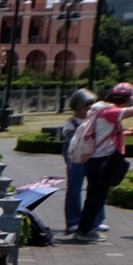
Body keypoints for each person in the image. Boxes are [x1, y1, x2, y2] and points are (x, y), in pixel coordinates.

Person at [73, 83, 133, 241]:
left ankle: (85, 229)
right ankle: (84, 231)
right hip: (101, 160)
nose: (131, 104)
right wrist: (132, 107)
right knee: (96, 197)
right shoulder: (110, 112)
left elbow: (103, 133)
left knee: (95, 195)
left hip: (96, 159)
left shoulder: (101, 110)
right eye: (129, 100)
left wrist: (124, 132)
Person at [59, 89, 98, 234]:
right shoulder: (71, 123)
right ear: (78, 105)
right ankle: (73, 221)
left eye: (92, 105)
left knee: (96, 188)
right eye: (86, 105)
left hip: (93, 155)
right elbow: (71, 140)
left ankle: (96, 220)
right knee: (75, 188)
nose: (89, 108)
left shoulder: (95, 120)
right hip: (75, 157)